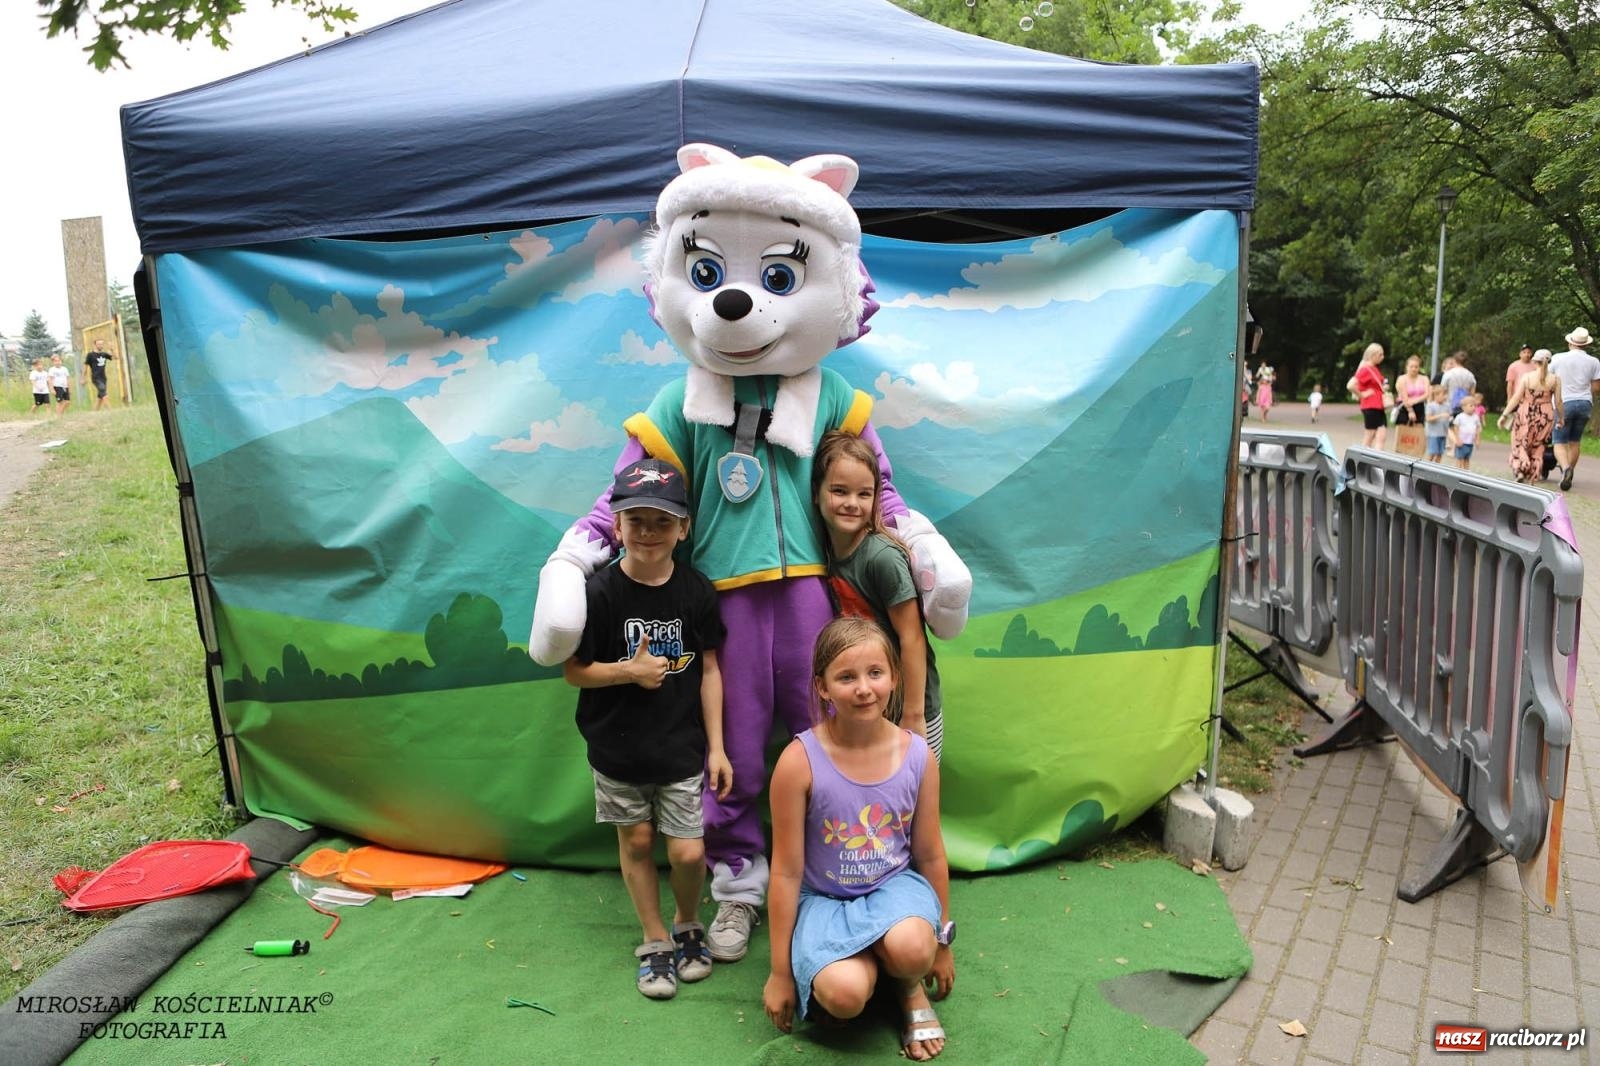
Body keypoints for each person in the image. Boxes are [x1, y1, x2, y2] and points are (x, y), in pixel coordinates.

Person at [563, 457, 734, 1001]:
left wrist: (719, 749)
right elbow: (574, 671)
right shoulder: (599, 594)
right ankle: (654, 938)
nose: (648, 533)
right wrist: (628, 672)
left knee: (686, 852)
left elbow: (709, 670)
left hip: (681, 748)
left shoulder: (696, 593)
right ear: (616, 525)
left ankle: (687, 923)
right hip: (615, 749)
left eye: (662, 522)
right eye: (636, 520)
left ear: (684, 528)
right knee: (636, 841)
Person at [763, 617, 954, 1061]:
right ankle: (865, 970)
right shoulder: (798, 761)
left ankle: (907, 988)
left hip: (894, 891)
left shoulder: (917, 755)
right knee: (845, 997)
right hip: (825, 900)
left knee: (912, 950)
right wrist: (779, 973)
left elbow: (929, 853)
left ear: (894, 678)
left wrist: (941, 945)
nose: (864, 688)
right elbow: (786, 872)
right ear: (823, 687)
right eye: (846, 677)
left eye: (875, 673)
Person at [812, 431, 943, 762]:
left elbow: (912, 637)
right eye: (839, 491)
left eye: (863, 494)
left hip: (911, 708)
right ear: (817, 493)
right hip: (866, 705)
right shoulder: (824, 553)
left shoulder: (880, 557)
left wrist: (913, 715)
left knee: (915, 799)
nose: (851, 503)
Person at [1498, 349, 1561, 483]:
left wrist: (1504, 415)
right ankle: (1533, 473)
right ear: (1549, 362)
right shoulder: (1555, 380)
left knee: (1519, 442)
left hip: (1526, 414)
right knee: (1538, 445)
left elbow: (1516, 398)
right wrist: (1561, 418)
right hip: (1545, 415)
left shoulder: (1527, 377)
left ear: (1534, 361)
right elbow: (1559, 402)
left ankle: (1519, 469)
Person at [1549, 327, 1600, 491]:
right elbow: (1597, 387)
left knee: (1559, 441)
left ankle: (1565, 469)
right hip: (1585, 403)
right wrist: (1582, 392)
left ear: (1570, 342)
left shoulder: (1558, 358)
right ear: (1586, 344)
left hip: (1563, 403)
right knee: (1575, 441)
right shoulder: (1594, 361)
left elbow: (1548, 379)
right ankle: (1570, 471)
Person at [1351, 342, 1389, 449]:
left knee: (1381, 435)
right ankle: (1362, 460)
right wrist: (1361, 394)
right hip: (1371, 406)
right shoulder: (1365, 369)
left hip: (1378, 406)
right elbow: (1350, 385)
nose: (1382, 357)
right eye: (1380, 355)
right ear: (1373, 355)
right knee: (1370, 435)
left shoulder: (1374, 369)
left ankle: (1377, 459)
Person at [1392, 356, 1429, 427]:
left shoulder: (1424, 378)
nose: (1414, 369)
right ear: (1407, 367)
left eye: (1416, 367)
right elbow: (1403, 396)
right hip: (1404, 406)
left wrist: (1415, 401)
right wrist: (1410, 411)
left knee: (1418, 432)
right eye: (1411, 366)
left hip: (1419, 406)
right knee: (1403, 432)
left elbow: (1426, 394)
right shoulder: (1402, 379)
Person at [1449, 393, 1484, 471]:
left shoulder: (1476, 417)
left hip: (1470, 442)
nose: (1473, 408)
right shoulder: (1460, 417)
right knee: (1460, 459)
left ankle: (1466, 473)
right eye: (1471, 406)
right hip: (1461, 442)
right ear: (1463, 407)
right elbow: (1456, 428)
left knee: (1467, 459)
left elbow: (1477, 429)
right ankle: (1458, 472)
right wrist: (1457, 439)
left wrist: (1478, 440)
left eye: (1474, 406)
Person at [1439, 351, 1476, 416]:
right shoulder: (1470, 376)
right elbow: (1472, 394)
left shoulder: (1448, 374)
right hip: (1465, 407)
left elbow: (1442, 390)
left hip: (1449, 405)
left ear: (1454, 360)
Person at [1423, 384, 1450, 463]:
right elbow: (1428, 419)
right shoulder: (1431, 406)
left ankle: (1436, 471)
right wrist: (1440, 415)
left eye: (1445, 394)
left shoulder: (1447, 406)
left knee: (1440, 454)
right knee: (1432, 453)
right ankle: (1426, 468)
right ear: (1436, 395)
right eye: (1443, 394)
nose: (1445, 397)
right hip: (1433, 434)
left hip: (1443, 433)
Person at [84, 343, 116, 411]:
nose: (100, 345)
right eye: (99, 344)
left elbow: (115, 358)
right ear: (95, 345)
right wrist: (83, 377)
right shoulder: (90, 355)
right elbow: (85, 366)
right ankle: (111, 411)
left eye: (102, 344)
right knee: (105, 395)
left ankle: (95, 412)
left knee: (100, 397)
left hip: (103, 378)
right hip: (96, 378)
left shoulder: (104, 354)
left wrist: (112, 350)